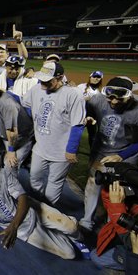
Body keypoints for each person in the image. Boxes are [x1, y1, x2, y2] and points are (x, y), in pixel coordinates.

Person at [0, 156, 87, 260]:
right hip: (22, 228)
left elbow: (22, 197)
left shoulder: (3, 174)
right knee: (69, 254)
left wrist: (14, 226)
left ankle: (76, 238)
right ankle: (63, 234)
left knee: (72, 227)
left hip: (30, 209)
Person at [79, 76, 138, 231]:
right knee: (93, 183)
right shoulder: (98, 100)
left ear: (129, 96)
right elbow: (87, 111)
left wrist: (122, 155)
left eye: (119, 99)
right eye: (110, 98)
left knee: (119, 191)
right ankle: (87, 221)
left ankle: (113, 226)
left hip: (126, 156)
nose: (113, 102)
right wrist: (87, 117)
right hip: (101, 152)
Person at [21, 62, 86, 205]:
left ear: (60, 77)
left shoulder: (73, 95)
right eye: (42, 79)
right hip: (40, 147)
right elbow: (26, 105)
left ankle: (47, 211)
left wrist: (71, 150)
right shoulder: (36, 89)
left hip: (61, 152)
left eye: (47, 80)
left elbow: (78, 124)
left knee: (54, 183)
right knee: (34, 178)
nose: (43, 83)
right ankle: (36, 207)